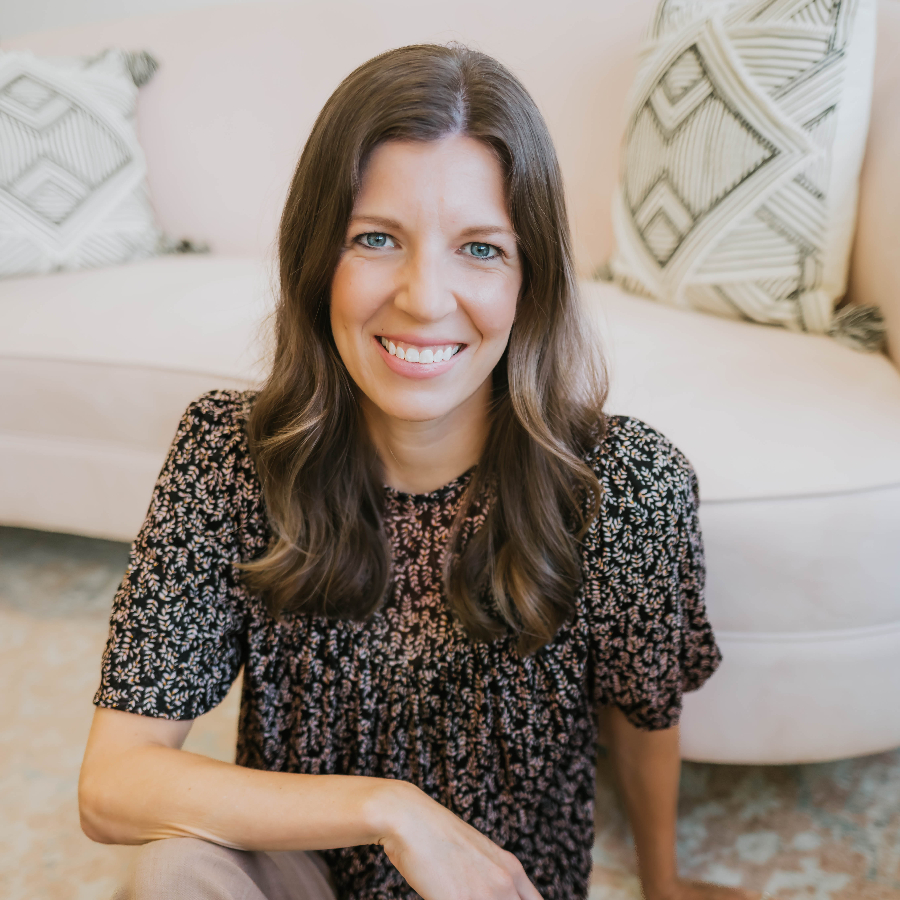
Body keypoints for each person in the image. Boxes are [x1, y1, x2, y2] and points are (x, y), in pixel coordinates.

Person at [78, 43, 767, 900]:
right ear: (316, 258)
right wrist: (392, 810)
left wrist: (661, 886)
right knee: (172, 866)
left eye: (480, 249)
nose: (424, 297)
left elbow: (645, 713)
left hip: (503, 888)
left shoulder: (624, 487)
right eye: (376, 238)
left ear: (531, 278)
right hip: (303, 874)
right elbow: (112, 786)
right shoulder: (230, 454)